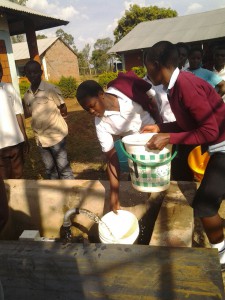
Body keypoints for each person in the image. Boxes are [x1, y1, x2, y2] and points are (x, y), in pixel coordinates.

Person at [142, 40, 225, 270]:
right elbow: (187, 123)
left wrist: (169, 138)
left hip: (223, 146)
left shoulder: (186, 86)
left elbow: (208, 131)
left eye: (148, 67)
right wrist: (162, 128)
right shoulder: (174, 87)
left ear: (157, 65)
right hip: (218, 145)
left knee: (205, 206)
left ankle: (223, 255)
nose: (147, 73)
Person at [76, 73, 156, 211]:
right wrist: (114, 193)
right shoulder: (101, 123)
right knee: (141, 179)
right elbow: (112, 159)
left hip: (156, 137)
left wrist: (161, 124)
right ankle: (147, 207)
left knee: (159, 177)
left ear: (101, 94)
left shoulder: (126, 89)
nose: (91, 111)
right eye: (86, 110)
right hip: (135, 147)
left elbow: (153, 98)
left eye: (92, 105)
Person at [23, 60, 74, 180]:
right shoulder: (27, 95)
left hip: (56, 136)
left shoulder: (50, 89)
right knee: (50, 170)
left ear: (41, 72)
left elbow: (63, 107)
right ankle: (55, 195)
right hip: (41, 139)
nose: (32, 75)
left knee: (63, 168)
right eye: (29, 73)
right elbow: (29, 113)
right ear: (25, 75)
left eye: (35, 72)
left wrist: (62, 120)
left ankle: (72, 193)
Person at [0, 62, 28, 179]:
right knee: (5, 180)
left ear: (1, 73)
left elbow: (18, 114)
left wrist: (24, 137)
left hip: (16, 142)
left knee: (19, 176)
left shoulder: (9, 88)